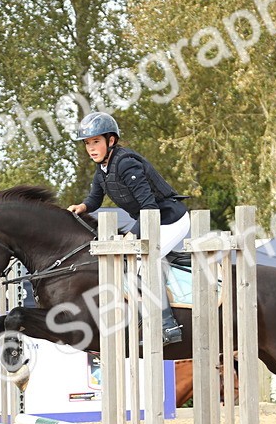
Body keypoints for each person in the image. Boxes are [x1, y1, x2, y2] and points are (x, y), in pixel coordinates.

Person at [67, 111, 190, 343]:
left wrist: (132, 234)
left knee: (145, 261)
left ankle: (168, 326)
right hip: (153, 220)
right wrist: (81, 207)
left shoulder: (126, 164)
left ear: (111, 141)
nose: (91, 148)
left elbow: (149, 206)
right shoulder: (103, 169)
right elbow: (94, 199)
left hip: (171, 220)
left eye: (96, 142)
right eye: (87, 144)